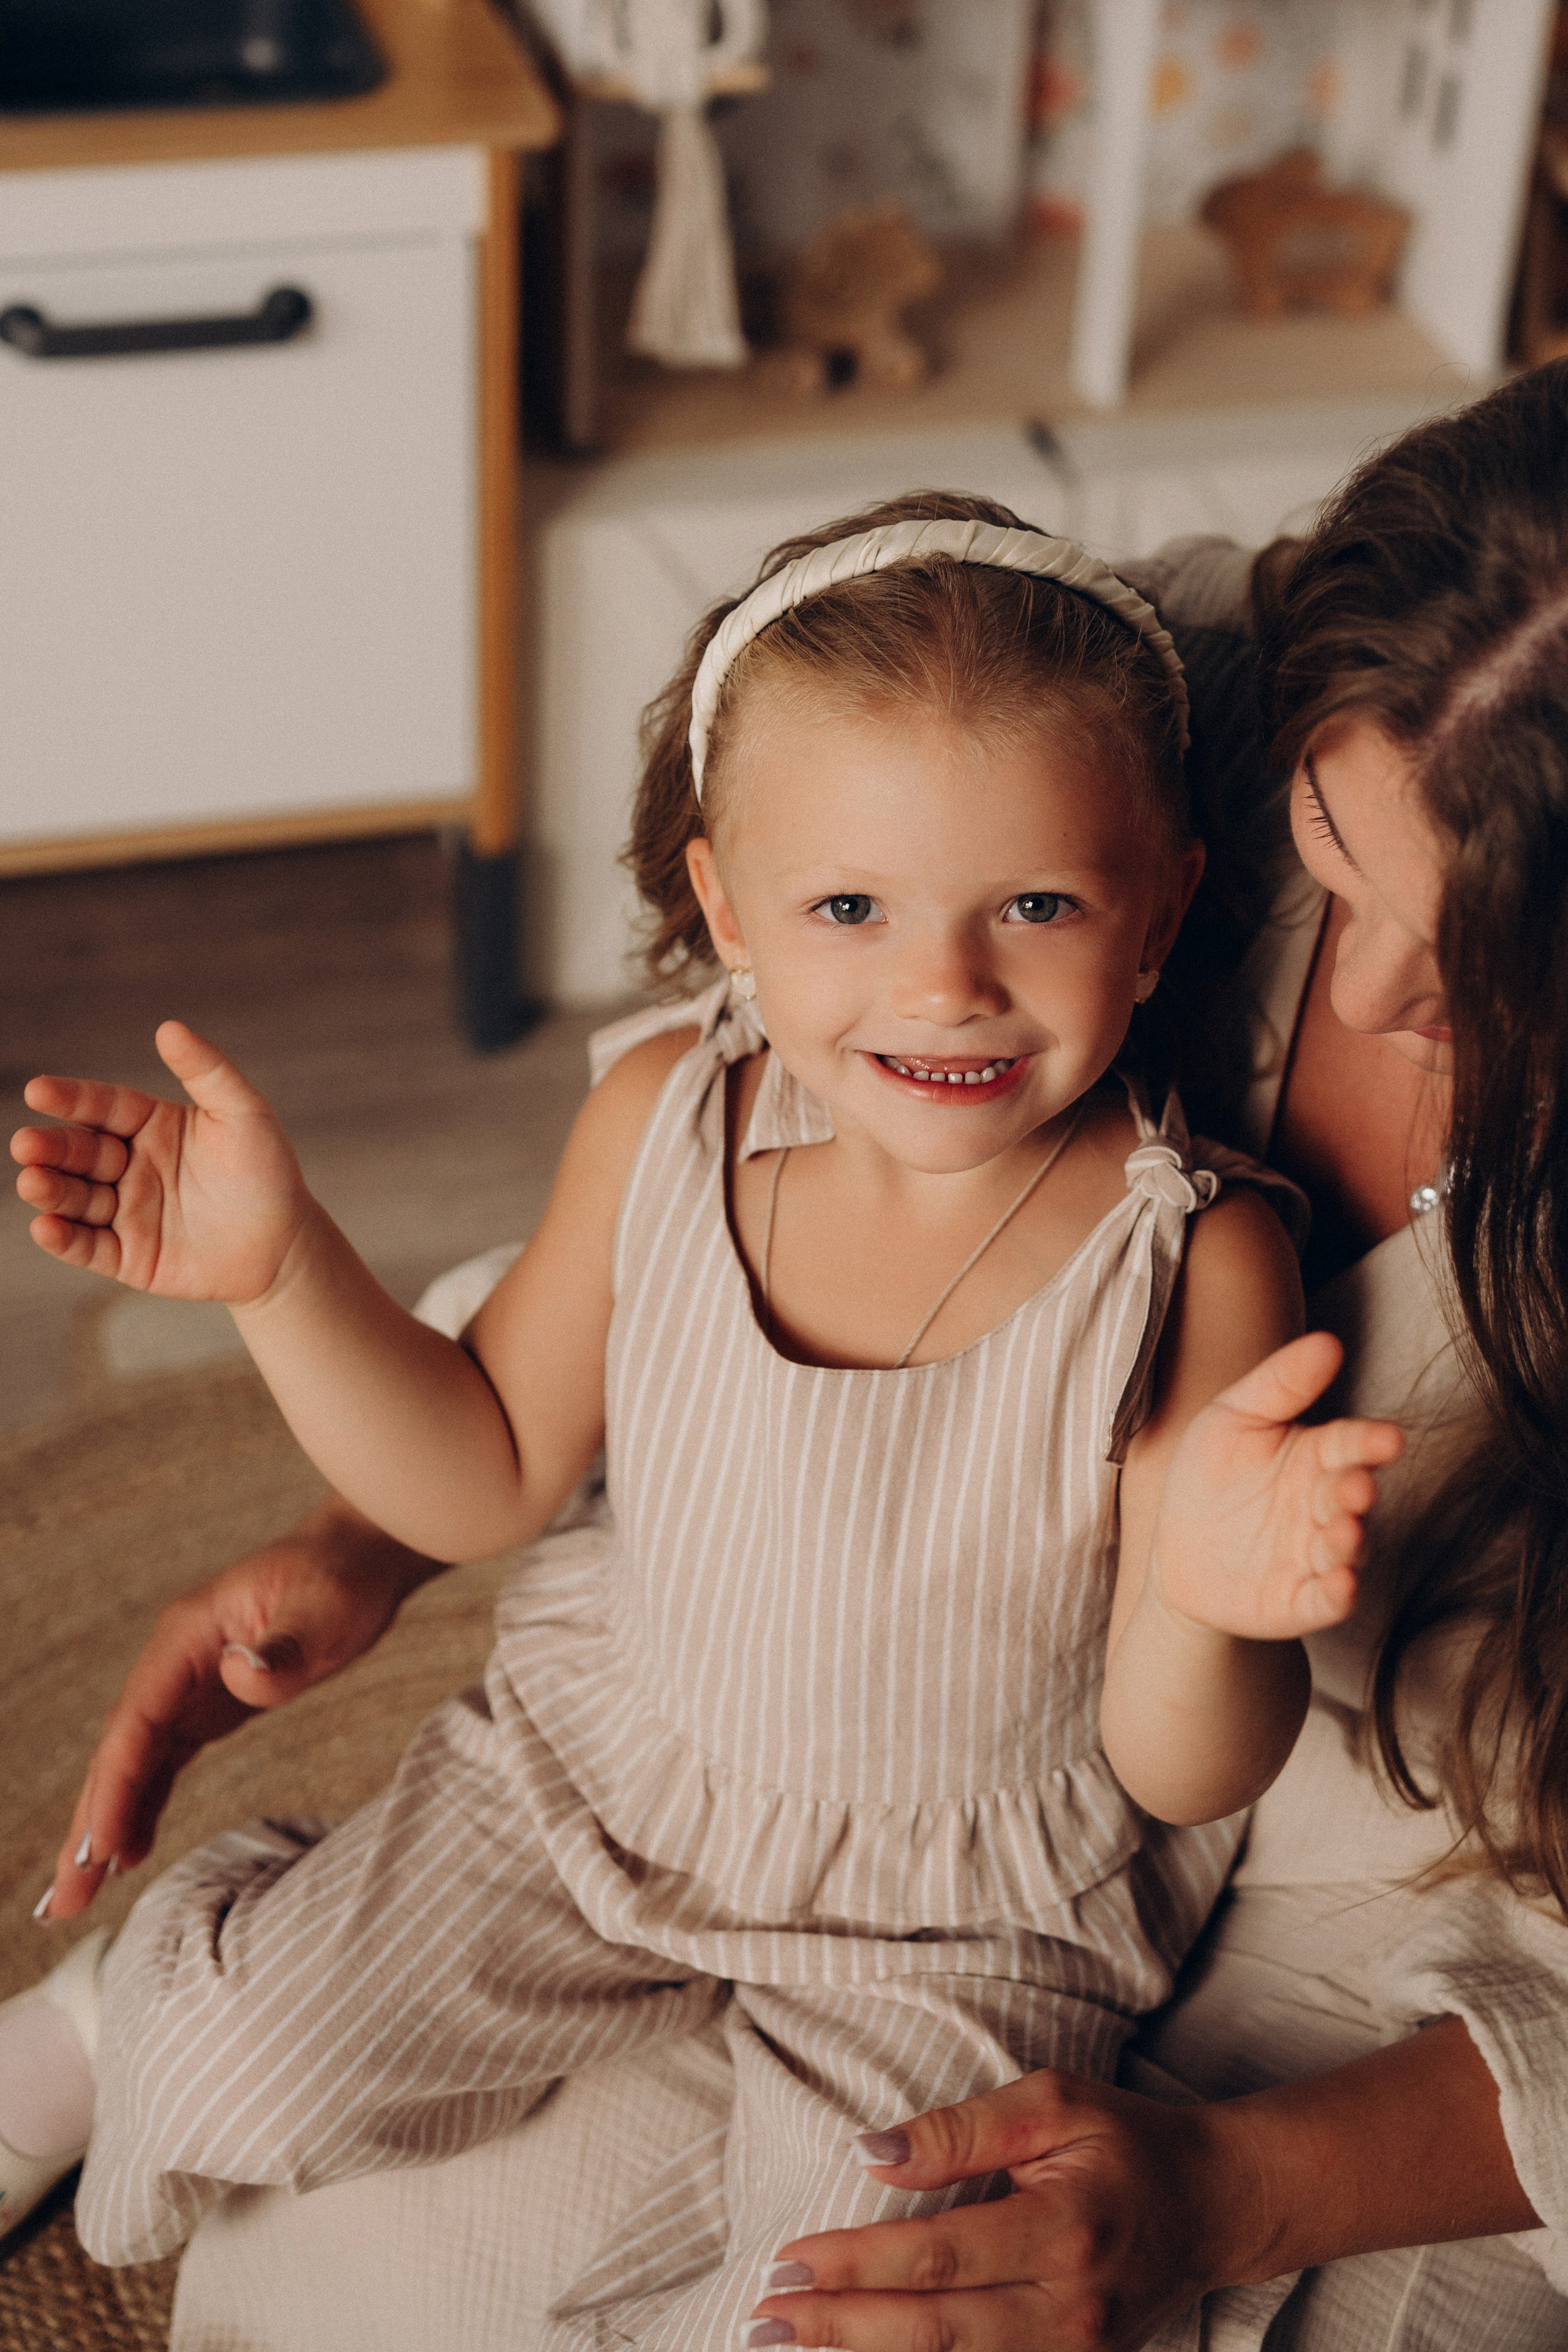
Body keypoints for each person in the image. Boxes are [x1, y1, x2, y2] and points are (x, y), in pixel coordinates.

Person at [2, 496, 1400, 2335]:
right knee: (248, 2072)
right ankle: (133, 2001)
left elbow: (1178, 1768)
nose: (945, 983)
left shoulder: (1201, 1258)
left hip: (964, 1916)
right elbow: (485, 1463)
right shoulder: (668, 1116)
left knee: (849, 2311)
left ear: (1161, 912)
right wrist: (282, 1275)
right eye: (849, 907)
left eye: (1038, 906)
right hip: (610, 1781)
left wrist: (1219, 1598)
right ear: (730, 907)